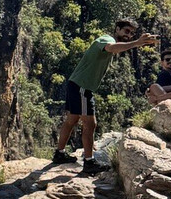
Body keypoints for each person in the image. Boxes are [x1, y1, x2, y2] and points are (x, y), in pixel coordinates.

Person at [53, 18, 158, 174]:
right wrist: (137, 42)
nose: (128, 35)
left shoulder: (111, 40)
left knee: (72, 120)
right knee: (90, 124)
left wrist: (136, 42)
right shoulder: (106, 39)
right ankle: (89, 162)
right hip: (82, 87)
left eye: (131, 33)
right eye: (126, 31)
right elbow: (111, 47)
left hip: (77, 84)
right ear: (117, 29)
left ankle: (59, 154)